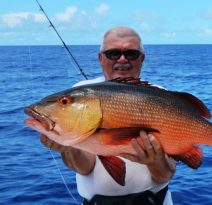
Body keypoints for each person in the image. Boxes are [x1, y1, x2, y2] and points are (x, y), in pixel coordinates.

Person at [38, 26, 176, 205]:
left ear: (142, 58)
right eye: (113, 53)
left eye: (131, 54)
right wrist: (67, 146)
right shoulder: (79, 93)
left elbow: (165, 174)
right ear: (100, 58)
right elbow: (85, 167)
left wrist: (156, 161)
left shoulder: (161, 97)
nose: (122, 59)